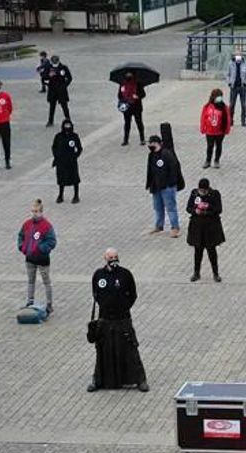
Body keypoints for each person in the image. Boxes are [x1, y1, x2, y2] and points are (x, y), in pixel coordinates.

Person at [89, 248, 149, 393]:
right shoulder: (98, 275)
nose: (113, 259)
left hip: (123, 319)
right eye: (110, 257)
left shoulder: (125, 274)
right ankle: (98, 380)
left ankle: (140, 380)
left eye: (115, 256)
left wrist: (123, 308)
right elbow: (95, 294)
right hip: (105, 319)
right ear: (105, 258)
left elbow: (133, 294)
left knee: (130, 349)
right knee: (103, 350)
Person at [17, 199, 56, 314]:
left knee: (46, 281)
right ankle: (30, 301)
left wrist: (40, 249)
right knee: (30, 281)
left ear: (41, 212)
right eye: (32, 211)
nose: (34, 214)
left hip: (42, 259)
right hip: (29, 258)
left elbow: (52, 241)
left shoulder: (47, 226)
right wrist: (21, 246)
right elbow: (20, 236)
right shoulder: (27, 224)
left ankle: (49, 304)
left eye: (36, 211)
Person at [145, 135, 184, 237]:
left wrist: (171, 184)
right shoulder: (151, 155)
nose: (150, 145)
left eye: (151, 143)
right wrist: (149, 183)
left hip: (167, 186)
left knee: (170, 207)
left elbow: (174, 169)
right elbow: (150, 171)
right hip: (156, 186)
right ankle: (159, 225)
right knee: (158, 207)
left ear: (157, 143)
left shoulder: (166, 154)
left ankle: (175, 227)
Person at [186, 178, 224, 283]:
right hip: (197, 227)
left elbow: (218, 209)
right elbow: (188, 208)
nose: (202, 193)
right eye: (200, 190)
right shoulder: (194, 194)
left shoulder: (214, 194)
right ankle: (196, 273)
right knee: (197, 251)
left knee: (212, 251)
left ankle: (216, 273)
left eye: (204, 191)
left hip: (210, 227)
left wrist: (206, 210)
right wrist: (195, 210)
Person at [200, 88, 231, 169]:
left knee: (219, 146)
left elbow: (228, 119)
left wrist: (227, 129)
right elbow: (203, 117)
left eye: (220, 96)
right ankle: (208, 161)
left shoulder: (224, 107)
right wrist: (203, 127)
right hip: (209, 131)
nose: (219, 98)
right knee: (210, 146)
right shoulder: (207, 107)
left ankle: (217, 160)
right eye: (218, 96)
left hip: (220, 131)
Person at [52, 119, 82, 204]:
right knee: (61, 178)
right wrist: (57, 156)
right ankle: (60, 195)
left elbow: (79, 148)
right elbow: (54, 147)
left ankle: (76, 195)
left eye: (69, 125)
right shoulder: (58, 136)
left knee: (74, 178)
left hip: (71, 161)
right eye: (66, 125)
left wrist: (75, 156)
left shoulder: (74, 136)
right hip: (61, 161)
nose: (67, 127)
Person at [42, 55, 72, 127]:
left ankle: (68, 120)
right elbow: (44, 78)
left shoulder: (63, 67)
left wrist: (64, 86)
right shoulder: (48, 67)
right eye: (53, 61)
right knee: (52, 106)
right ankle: (50, 121)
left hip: (61, 90)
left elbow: (69, 78)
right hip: (52, 90)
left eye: (56, 61)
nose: (54, 63)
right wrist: (49, 76)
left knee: (64, 106)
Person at [118, 72, 145, 146]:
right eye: (127, 74)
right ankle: (125, 140)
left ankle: (142, 139)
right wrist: (123, 100)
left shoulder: (138, 83)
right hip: (127, 107)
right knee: (127, 124)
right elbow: (119, 95)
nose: (128, 75)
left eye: (130, 74)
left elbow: (143, 94)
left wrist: (138, 96)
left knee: (139, 122)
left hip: (136, 106)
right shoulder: (122, 84)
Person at [226, 52, 246, 127]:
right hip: (233, 87)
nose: (238, 56)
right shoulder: (231, 64)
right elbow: (227, 74)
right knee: (232, 104)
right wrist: (229, 82)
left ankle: (243, 120)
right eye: (237, 55)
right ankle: (230, 120)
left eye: (239, 55)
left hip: (242, 87)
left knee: (243, 105)